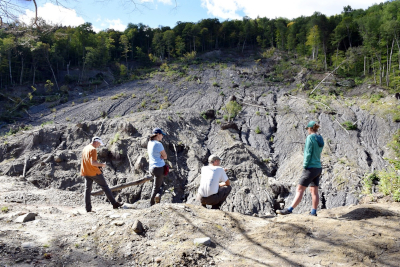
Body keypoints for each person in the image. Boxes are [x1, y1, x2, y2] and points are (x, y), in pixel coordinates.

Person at [277, 121, 324, 216]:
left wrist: (305, 165)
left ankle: (289, 210)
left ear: (310, 128)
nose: (307, 130)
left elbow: (308, 153)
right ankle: (313, 212)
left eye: (307, 128)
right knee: (314, 191)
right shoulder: (320, 138)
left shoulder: (310, 138)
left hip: (310, 168)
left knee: (299, 189)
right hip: (318, 167)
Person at [81, 136, 123, 212]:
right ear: (96, 142)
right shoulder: (93, 150)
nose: (99, 145)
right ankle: (114, 203)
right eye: (99, 144)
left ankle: (88, 209)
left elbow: (87, 161)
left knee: (87, 190)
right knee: (105, 187)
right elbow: (93, 163)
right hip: (94, 172)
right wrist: (102, 165)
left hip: (86, 172)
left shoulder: (85, 148)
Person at [148, 128, 168, 206]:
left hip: (151, 168)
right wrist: (163, 156)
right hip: (159, 168)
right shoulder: (158, 144)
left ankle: (157, 198)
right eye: (162, 135)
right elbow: (165, 156)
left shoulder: (149, 142)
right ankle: (152, 204)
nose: (162, 136)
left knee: (160, 185)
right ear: (158, 134)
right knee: (156, 187)